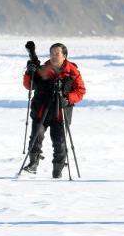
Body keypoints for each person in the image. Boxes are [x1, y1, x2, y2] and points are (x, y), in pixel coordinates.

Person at [22, 43, 86, 178]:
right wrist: (29, 72)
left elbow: (80, 91)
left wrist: (68, 99)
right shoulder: (43, 69)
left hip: (61, 112)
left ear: (64, 56)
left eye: (57, 53)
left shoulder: (72, 71)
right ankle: (33, 164)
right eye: (51, 53)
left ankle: (58, 170)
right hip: (41, 110)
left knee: (59, 142)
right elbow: (29, 86)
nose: (53, 56)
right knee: (35, 137)